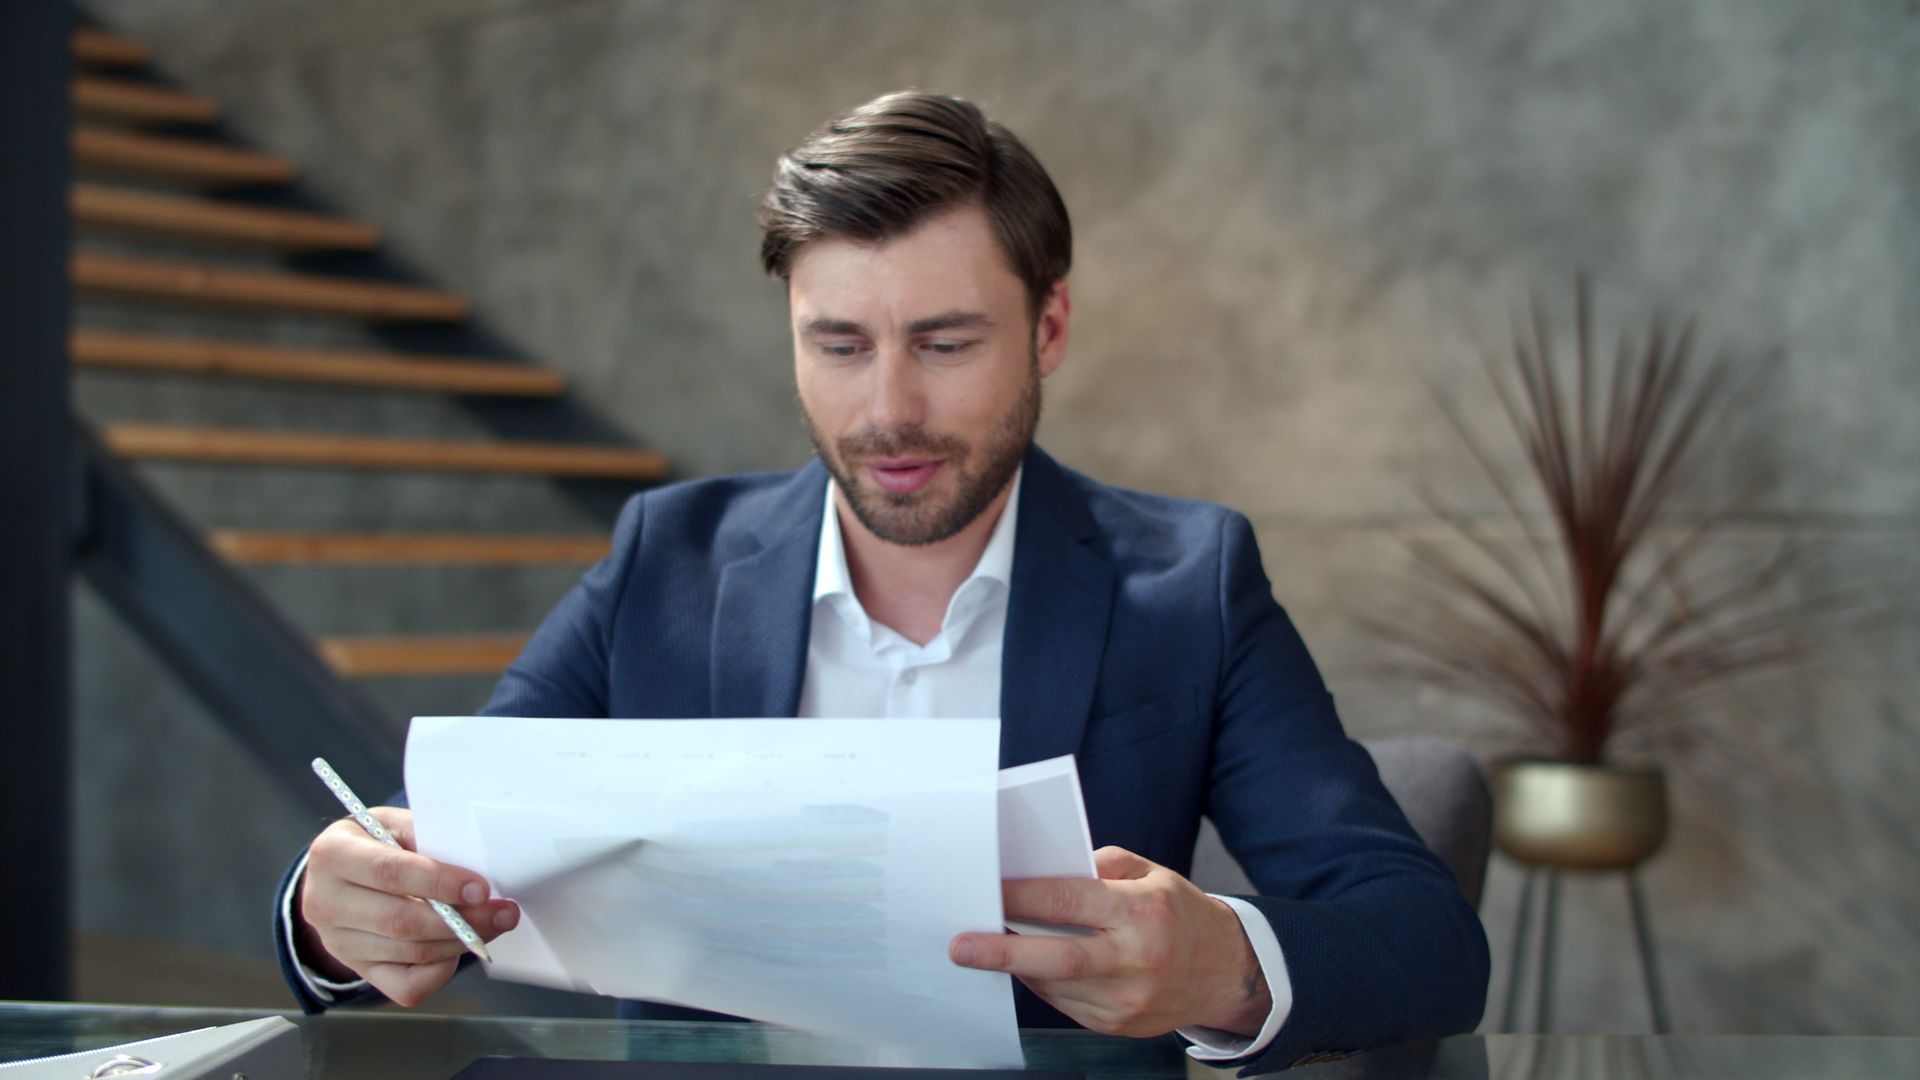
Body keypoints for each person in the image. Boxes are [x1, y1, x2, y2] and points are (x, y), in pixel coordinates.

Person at [275, 90, 1489, 1072]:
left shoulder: (1190, 588)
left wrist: (1218, 964)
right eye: (840, 345)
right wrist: (339, 914)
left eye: (945, 343)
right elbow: (440, 847)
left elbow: (1425, 937)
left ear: (1049, 328)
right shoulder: (667, 559)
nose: (888, 411)